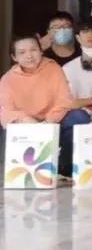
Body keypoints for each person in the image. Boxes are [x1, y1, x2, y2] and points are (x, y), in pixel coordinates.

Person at [0, 34, 86, 178]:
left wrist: (48, 122)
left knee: (79, 117)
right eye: (22, 52)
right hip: (26, 126)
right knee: (7, 133)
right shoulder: (8, 79)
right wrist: (28, 121)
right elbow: (6, 111)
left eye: (33, 50)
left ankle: (64, 165)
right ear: (14, 57)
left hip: (53, 123)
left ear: (41, 51)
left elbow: (64, 100)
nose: (29, 56)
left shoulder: (53, 68)